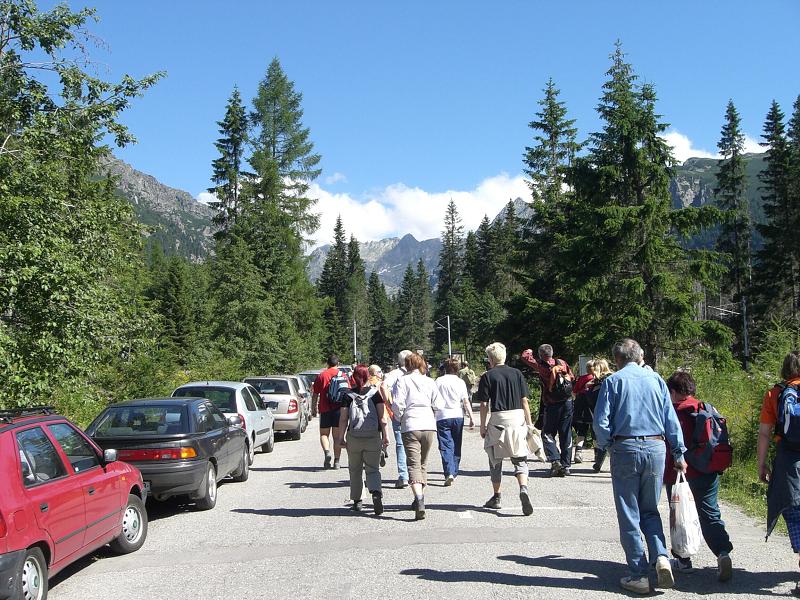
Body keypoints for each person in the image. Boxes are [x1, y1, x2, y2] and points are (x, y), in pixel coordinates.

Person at [593, 338, 687, 595]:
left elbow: (600, 423)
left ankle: (638, 574)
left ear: (617, 359)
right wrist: (678, 451)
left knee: (629, 513)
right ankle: (661, 557)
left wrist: (608, 445)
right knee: (650, 509)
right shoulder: (656, 380)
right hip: (657, 448)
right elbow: (670, 418)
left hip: (626, 447)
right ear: (638, 356)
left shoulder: (613, 382)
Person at [663, 371, 733, 581]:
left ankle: (683, 561)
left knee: (681, 516)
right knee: (710, 513)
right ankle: (722, 553)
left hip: (680, 473)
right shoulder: (705, 408)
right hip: (707, 470)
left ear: (673, 391)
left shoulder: (671, 412)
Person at [477, 342, 535, 516]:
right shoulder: (517, 374)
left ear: (490, 359)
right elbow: (525, 400)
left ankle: (497, 496)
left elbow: (484, 404)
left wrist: (482, 425)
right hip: (517, 419)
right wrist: (529, 423)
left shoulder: (488, 376)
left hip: (499, 420)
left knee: (495, 459)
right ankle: (523, 487)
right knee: (520, 459)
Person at [759, 350, 800, 594]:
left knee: (795, 513)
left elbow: (764, 433)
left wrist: (761, 464)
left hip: (788, 461)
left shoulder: (775, 393)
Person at [392, 352, 443, 520]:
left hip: (411, 424)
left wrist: (399, 418)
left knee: (413, 464)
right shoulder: (430, 381)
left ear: (407, 365)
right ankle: (419, 497)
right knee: (423, 463)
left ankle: (419, 498)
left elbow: (398, 404)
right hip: (428, 424)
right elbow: (438, 404)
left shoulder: (403, 380)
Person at [338, 365, 392, 515]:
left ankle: (357, 500)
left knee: (355, 469)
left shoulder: (347, 395)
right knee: (373, 469)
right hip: (373, 436)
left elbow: (343, 419)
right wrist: (386, 436)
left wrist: (340, 437)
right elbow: (383, 417)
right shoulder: (375, 394)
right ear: (368, 376)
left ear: (353, 377)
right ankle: (376, 492)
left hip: (354, 437)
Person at [521, 344, 575, 476]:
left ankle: (555, 460)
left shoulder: (542, 367)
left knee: (547, 433)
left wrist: (529, 350)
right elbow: (572, 377)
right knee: (566, 432)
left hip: (552, 404)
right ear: (552, 353)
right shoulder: (562, 363)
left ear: (541, 355)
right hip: (567, 402)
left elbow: (525, 357)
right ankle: (566, 465)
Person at [435, 358, 475, 486]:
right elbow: (465, 401)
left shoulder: (438, 381)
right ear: (457, 369)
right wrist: (471, 417)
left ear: (444, 368)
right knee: (457, 444)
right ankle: (455, 470)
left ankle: (449, 472)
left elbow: (433, 400)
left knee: (445, 445)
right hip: (457, 415)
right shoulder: (460, 382)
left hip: (442, 416)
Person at [572, 359, 614, 470]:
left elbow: (575, 392)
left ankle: (579, 453)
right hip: (594, 410)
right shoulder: (602, 379)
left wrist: (586, 389)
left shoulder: (593, 380)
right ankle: (597, 457)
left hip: (586, 409)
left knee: (584, 432)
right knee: (597, 434)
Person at [383, 350, 412, 488]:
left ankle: (404, 476)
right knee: (414, 444)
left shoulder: (395, 374)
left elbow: (383, 386)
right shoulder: (416, 373)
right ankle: (413, 474)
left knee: (401, 444)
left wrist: (389, 404)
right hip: (413, 412)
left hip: (399, 412)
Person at [312, 355, 345, 469]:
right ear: (338, 363)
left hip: (325, 409)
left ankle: (327, 453)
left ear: (327, 363)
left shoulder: (321, 376)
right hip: (339, 409)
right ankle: (337, 462)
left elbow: (315, 394)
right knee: (337, 437)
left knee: (324, 434)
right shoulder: (343, 375)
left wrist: (313, 408)